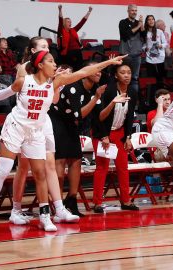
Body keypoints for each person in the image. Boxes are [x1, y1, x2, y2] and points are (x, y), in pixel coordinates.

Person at [0, 51, 126, 232]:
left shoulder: (54, 83)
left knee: (40, 173)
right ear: (40, 65)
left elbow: (84, 72)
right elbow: (4, 93)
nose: (55, 64)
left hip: (35, 131)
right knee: (3, 169)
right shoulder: (24, 81)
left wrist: (109, 62)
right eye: (51, 61)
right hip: (16, 127)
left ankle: (44, 216)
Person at [0, 37, 80, 225]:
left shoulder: (48, 72)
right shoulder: (24, 70)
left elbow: (53, 99)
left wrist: (56, 81)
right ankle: (16, 208)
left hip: (42, 120)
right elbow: (18, 92)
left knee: (48, 165)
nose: (48, 49)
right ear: (33, 52)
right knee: (23, 168)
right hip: (25, 120)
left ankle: (58, 208)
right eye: (44, 47)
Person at [49, 61, 106, 217]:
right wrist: (95, 98)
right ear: (85, 72)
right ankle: (57, 203)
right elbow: (78, 115)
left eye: (100, 71)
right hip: (56, 120)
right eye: (96, 70)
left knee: (76, 159)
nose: (98, 73)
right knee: (59, 163)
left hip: (71, 123)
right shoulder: (74, 87)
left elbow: (99, 116)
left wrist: (112, 104)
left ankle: (71, 199)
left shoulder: (95, 89)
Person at [91, 63, 139, 213]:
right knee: (102, 167)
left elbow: (130, 116)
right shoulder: (108, 90)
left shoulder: (132, 91)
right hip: (102, 133)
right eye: (123, 72)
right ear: (116, 75)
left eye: (129, 72)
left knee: (123, 167)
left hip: (119, 133)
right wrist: (104, 136)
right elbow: (98, 117)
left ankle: (126, 200)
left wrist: (128, 137)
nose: (126, 75)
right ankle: (97, 203)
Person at [57, 4, 92, 71]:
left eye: (70, 22)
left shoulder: (73, 30)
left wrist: (89, 11)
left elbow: (82, 22)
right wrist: (60, 10)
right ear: (64, 23)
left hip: (78, 51)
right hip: (68, 53)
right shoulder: (61, 30)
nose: (70, 23)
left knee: (79, 67)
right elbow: (60, 20)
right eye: (68, 22)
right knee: (70, 68)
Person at [118, 4, 144, 95]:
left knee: (134, 78)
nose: (134, 12)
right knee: (124, 77)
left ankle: (133, 97)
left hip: (137, 55)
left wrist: (142, 25)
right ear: (128, 11)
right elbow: (126, 34)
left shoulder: (139, 23)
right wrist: (138, 25)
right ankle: (123, 95)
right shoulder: (123, 22)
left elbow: (143, 36)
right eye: (132, 10)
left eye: (136, 10)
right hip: (125, 55)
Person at [143, 15, 168, 89]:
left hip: (160, 58)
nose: (151, 21)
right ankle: (152, 96)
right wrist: (145, 48)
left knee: (160, 79)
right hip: (149, 59)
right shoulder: (145, 33)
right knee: (151, 79)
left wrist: (161, 45)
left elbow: (165, 43)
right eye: (149, 20)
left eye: (152, 19)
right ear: (146, 22)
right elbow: (143, 45)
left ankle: (161, 95)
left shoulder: (159, 32)